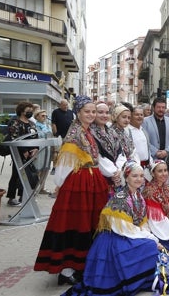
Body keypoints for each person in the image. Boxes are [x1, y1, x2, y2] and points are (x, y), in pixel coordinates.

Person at [34, 96, 109, 285]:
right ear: (78, 113)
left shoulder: (88, 131)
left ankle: (81, 264)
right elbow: (64, 165)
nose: (91, 115)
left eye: (93, 111)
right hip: (78, 185)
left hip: (92, 181)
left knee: (87, 223)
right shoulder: (74, 133)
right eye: (87, 111)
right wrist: (60, 185)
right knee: (75, 223)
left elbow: (97, 158)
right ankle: (67, 269)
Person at [65, 161, 161, 296]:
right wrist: (152, 238)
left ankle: (140, 280)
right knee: (149, 245)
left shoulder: (138, 196)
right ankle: (131, 281)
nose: (139, 179)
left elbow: (141, 223)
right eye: (134, 176)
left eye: (140, 176)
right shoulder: (119, 199)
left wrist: (149, 235)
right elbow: (125, 229)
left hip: (128, 234)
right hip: (114, 239)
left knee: (150, 245)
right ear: (126, 178)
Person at [5, 101, 39, 206]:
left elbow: (35, 137)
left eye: (31, 110)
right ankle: (11, 198)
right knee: (16, 174)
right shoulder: (15, 122)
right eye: (28, 111)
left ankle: (23, 197)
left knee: (28, 175)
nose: (30, 112)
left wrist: (36, 148)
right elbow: (14, 138)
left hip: (30, 153)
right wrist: (24, 150)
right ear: (21, 111)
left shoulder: (31, 123)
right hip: (18, 153)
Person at [91, 102, 123, 196]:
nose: (104, 115)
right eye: (100, 112)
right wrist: (114, 173)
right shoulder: (90, 132)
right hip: (100, 177)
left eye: (107, 112)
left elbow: (121, 153)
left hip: (116, 176)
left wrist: (119, 170)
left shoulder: (112, 132)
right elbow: (98, 158)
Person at [129, 105, 153, 179]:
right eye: (136, 115)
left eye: (141, 115)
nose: (139, 117)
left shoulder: (143, 131)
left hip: (146, 168)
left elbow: (148, 149)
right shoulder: (127, 131)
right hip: (134, 168)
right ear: (131, 116)